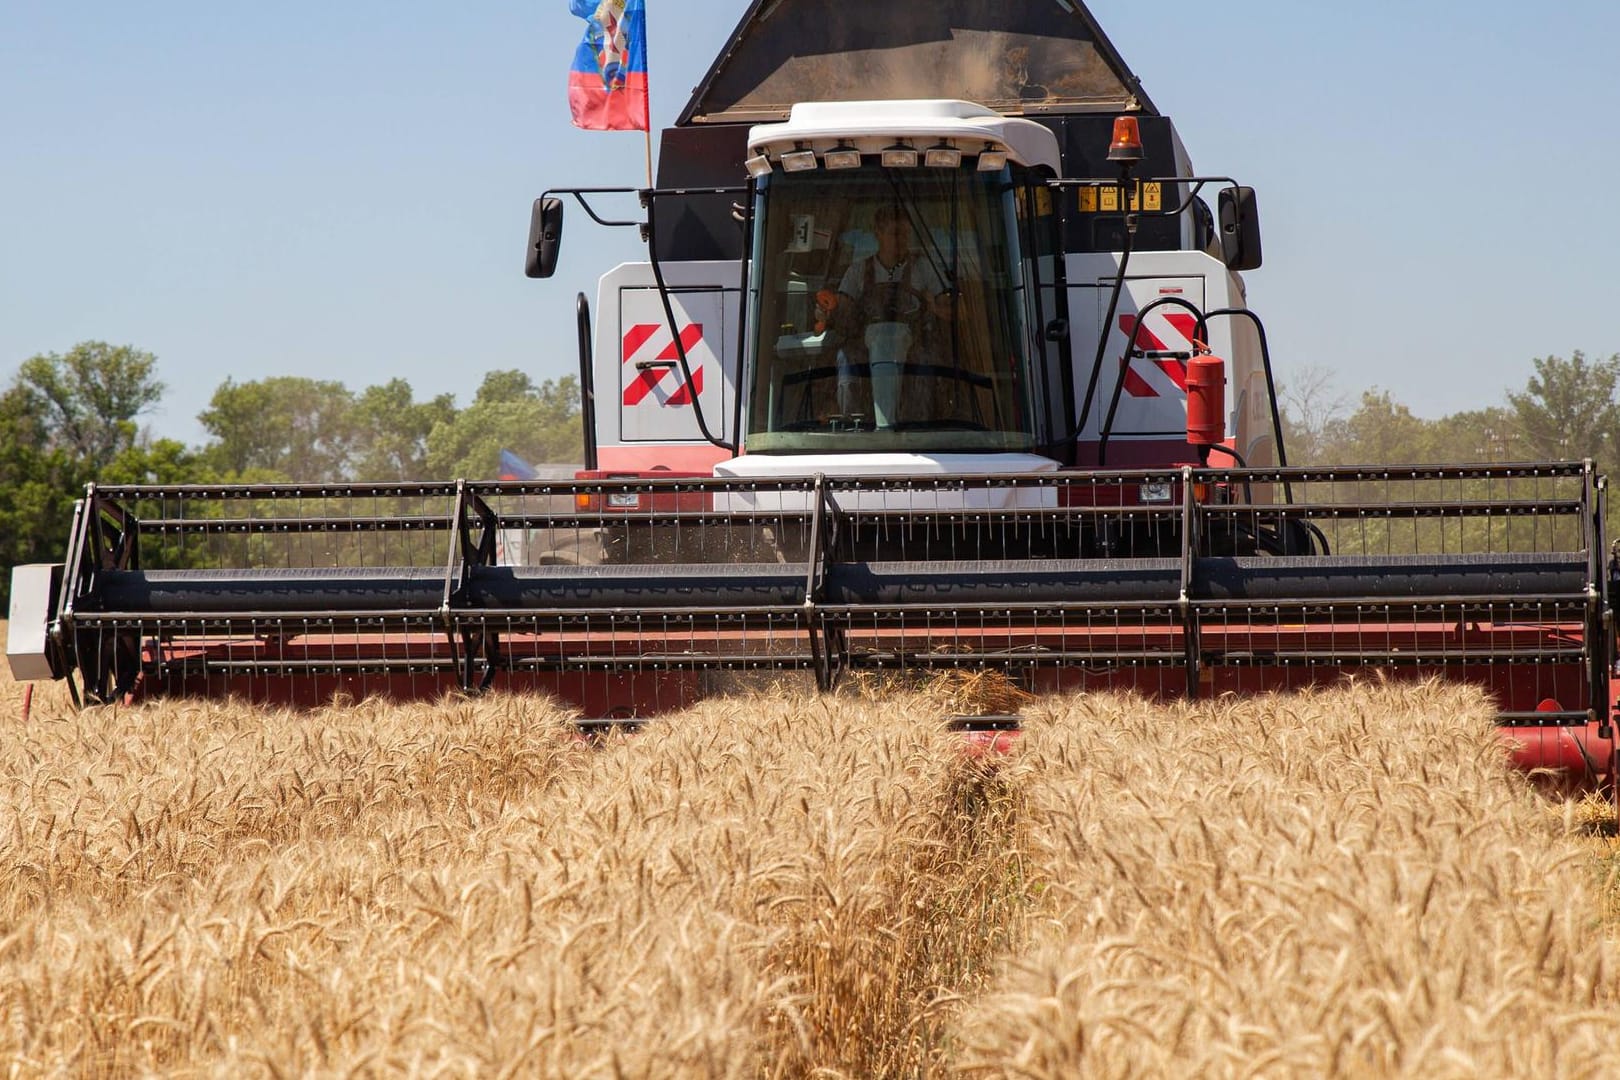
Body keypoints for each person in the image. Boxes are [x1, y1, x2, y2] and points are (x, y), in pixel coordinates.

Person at [826, 205, 955, 426]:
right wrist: (830, 311)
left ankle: (920, 425)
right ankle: (853, 422)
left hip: (914, 342)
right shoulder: (858, 271)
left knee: (927, 359)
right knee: (845, 358)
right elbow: (842, 311)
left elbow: (953, 312)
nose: (902, 239)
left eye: (906, 234)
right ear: (878, 232)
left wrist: (933, 305)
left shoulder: (925, 268)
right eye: (895, 233)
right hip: (865, 346)